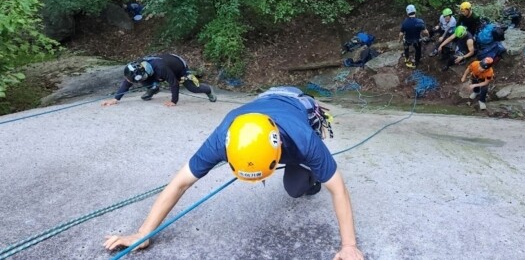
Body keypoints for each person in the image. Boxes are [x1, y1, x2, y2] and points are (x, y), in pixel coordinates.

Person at [103, 86, 365, 260]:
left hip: (296, 102)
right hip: (266, 98)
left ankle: (310, 177)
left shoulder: (304, 139)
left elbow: (338, 189)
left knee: (296, 189)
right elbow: (180, 183)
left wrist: (349, 245)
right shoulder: (222, 139)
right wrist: (143, 233)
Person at [101, 53, 217, 107]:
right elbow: (128, 81)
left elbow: (174, 83)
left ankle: (208, 90)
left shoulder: (161, 69)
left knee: (192, 88)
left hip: (178, 66)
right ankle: (153, 88)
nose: (131, 82)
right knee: (145, 81)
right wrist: (116, 98)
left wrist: (173, 101)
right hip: (161, 66)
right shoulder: (139, 66)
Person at [398, 4, 429, 69]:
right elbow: (425, 32)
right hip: (417, 40)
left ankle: (407, 58)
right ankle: (416, 61)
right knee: (418, 50)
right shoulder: (420, 21)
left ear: (407, 13)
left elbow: (401, 34)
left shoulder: (405, 22)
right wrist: (427, 35)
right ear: (415, 11)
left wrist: (400, 40)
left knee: (406, 47)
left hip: (407, 40)